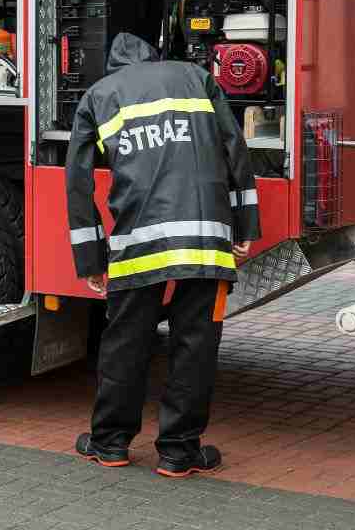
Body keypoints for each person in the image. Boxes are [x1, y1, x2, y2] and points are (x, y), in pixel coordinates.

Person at [66, 33, 260, 478]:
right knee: (195, 344)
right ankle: (179, 452)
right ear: (154, 58)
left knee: (125, 342)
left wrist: (91, 258)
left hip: (138, 241)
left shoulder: (99, 95)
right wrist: (245, 224)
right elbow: (234, 147)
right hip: (205, 237)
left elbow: (78, 182)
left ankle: (109, 444)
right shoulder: (196, 77)